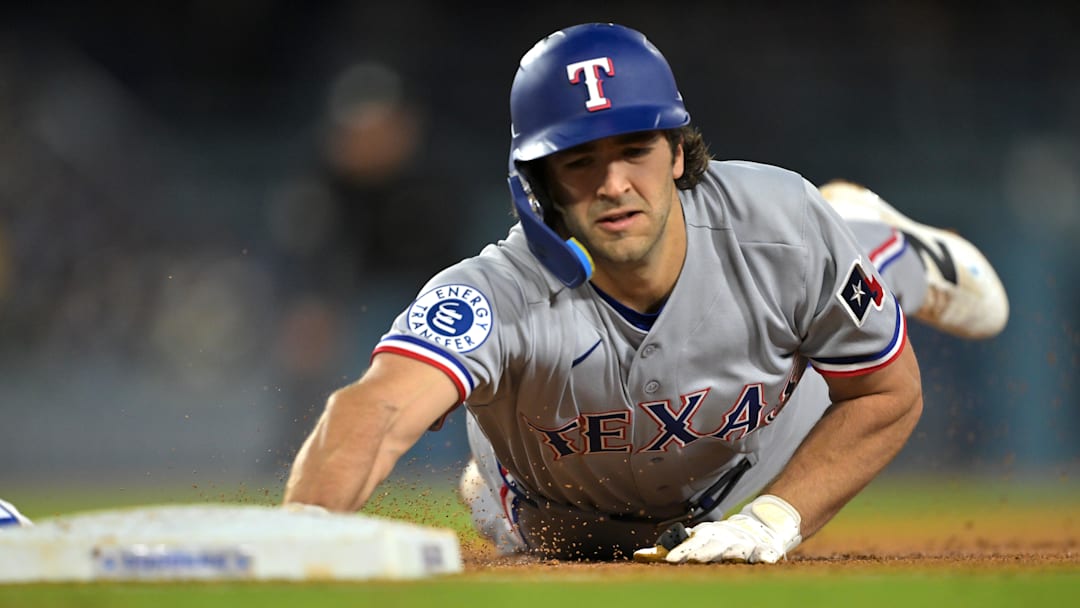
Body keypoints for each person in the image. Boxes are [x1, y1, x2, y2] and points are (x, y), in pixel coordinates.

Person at [282, 23, 1008, 563]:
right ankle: (488, 477)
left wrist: (773, 520)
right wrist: (302, 534)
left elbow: (887, 392)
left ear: (680, 152)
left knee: (827, 262)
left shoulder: (780, 225)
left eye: (634, 149)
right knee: (509, 514)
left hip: (748, 459)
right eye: (580, 161)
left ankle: (880, 241)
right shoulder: (495, 293)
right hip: (548, 516)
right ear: (538, 185)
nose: (613, 183)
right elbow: (376, 409)